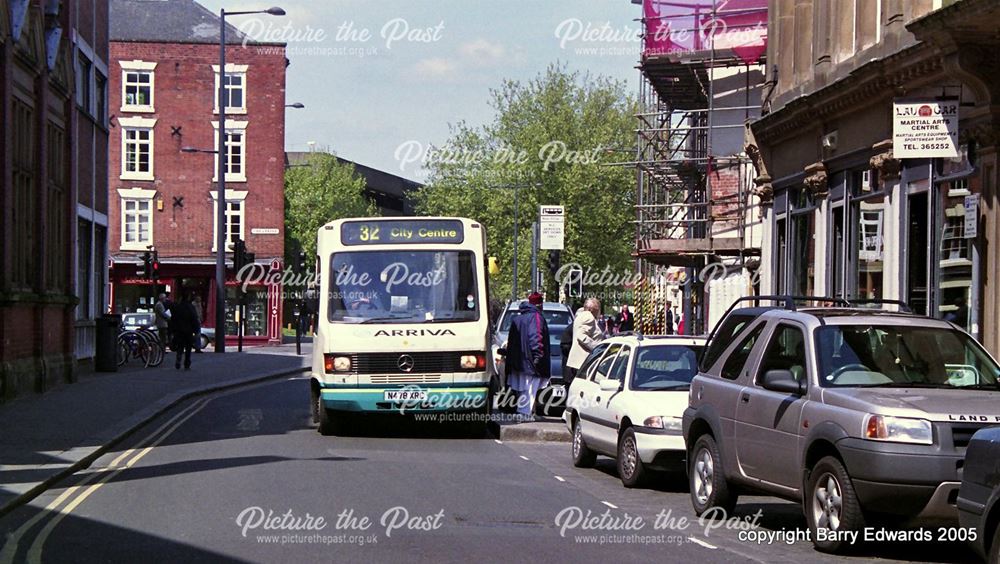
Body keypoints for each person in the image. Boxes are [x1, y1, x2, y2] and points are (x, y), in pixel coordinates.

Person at [505, 292, 550, 418]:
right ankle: (524, 413)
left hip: (519, 361)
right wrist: (538, 355)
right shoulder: (536, 317)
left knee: (523, 387)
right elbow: (536, 337)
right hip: (530, 361)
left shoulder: (518, 318)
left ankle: (524, 412)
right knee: (530, 388)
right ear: (540, 304)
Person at [566, 298, 603, 382]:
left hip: (577, 361)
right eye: (598, 309)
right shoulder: (588, 317)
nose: (599, 311)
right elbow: (581, 336)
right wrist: (597, 348)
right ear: (592, 309)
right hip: (583, 360)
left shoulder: (580, 316)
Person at [170, 292, 201, 370]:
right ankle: (187, 363)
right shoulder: (190, 307)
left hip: (179, 330)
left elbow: (173, 319)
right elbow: (194, 319)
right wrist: (196, 330)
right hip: (188, 331)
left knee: (180, 346)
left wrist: (173, 330)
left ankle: (179, 357)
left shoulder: (177, 307)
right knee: (188, 348)